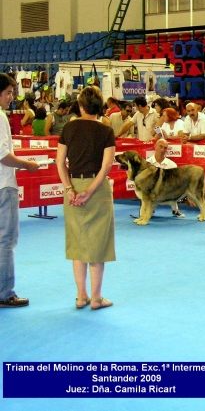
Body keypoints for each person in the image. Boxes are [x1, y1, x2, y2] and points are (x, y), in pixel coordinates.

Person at [56, 86, 116, 310]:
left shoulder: (69, 128)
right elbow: (107, 165)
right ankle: (96, 298)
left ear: (80, 106)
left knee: (78, 242)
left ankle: (81, 296)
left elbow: (59, 162)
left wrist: (69, 189)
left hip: (73, 186)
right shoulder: (105, 130)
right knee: (97, 245)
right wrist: (90, 191)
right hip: (97, 189)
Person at [0, 74, 39, 308]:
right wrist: (27, 164)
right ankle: (5, 293)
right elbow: (4, 156)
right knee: (6, 241)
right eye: (8, 93)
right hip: (4, 185)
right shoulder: (0, 117)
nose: (11, 98)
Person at [147, 138, 185, 218]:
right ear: (155, 146)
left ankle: (175, 210)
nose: (162, 149)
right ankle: (149, 209)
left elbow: (176, 182)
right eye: (161, 147)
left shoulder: (172, 165)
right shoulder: (147, 163)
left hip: (168, 190)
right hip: (152, 191)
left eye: (165, 148)